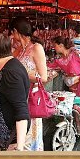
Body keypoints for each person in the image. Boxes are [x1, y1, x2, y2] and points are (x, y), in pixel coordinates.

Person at [47, 36, 80, 150]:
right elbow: (49, 66)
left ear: (61, 45)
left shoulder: (76, 53)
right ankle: (75, 126)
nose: (53, 47)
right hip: (73, 87)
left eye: (55, 45)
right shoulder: (59, 58)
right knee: (71, 108)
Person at [0, 33, 30, 151]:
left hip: (6, 142)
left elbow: (21, 111)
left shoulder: (10, 73)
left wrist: (19, 149)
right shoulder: (6, 64)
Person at [9, 16, 48, 151]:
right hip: (18, 97)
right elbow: (7, 62)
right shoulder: (19, 49)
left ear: (16, 31)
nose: (11, 36)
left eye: (12, 32)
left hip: (31, 98)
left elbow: (43, 77)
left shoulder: (36, 48)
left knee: (30, 136)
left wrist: (21, 73)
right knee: (20, 136)